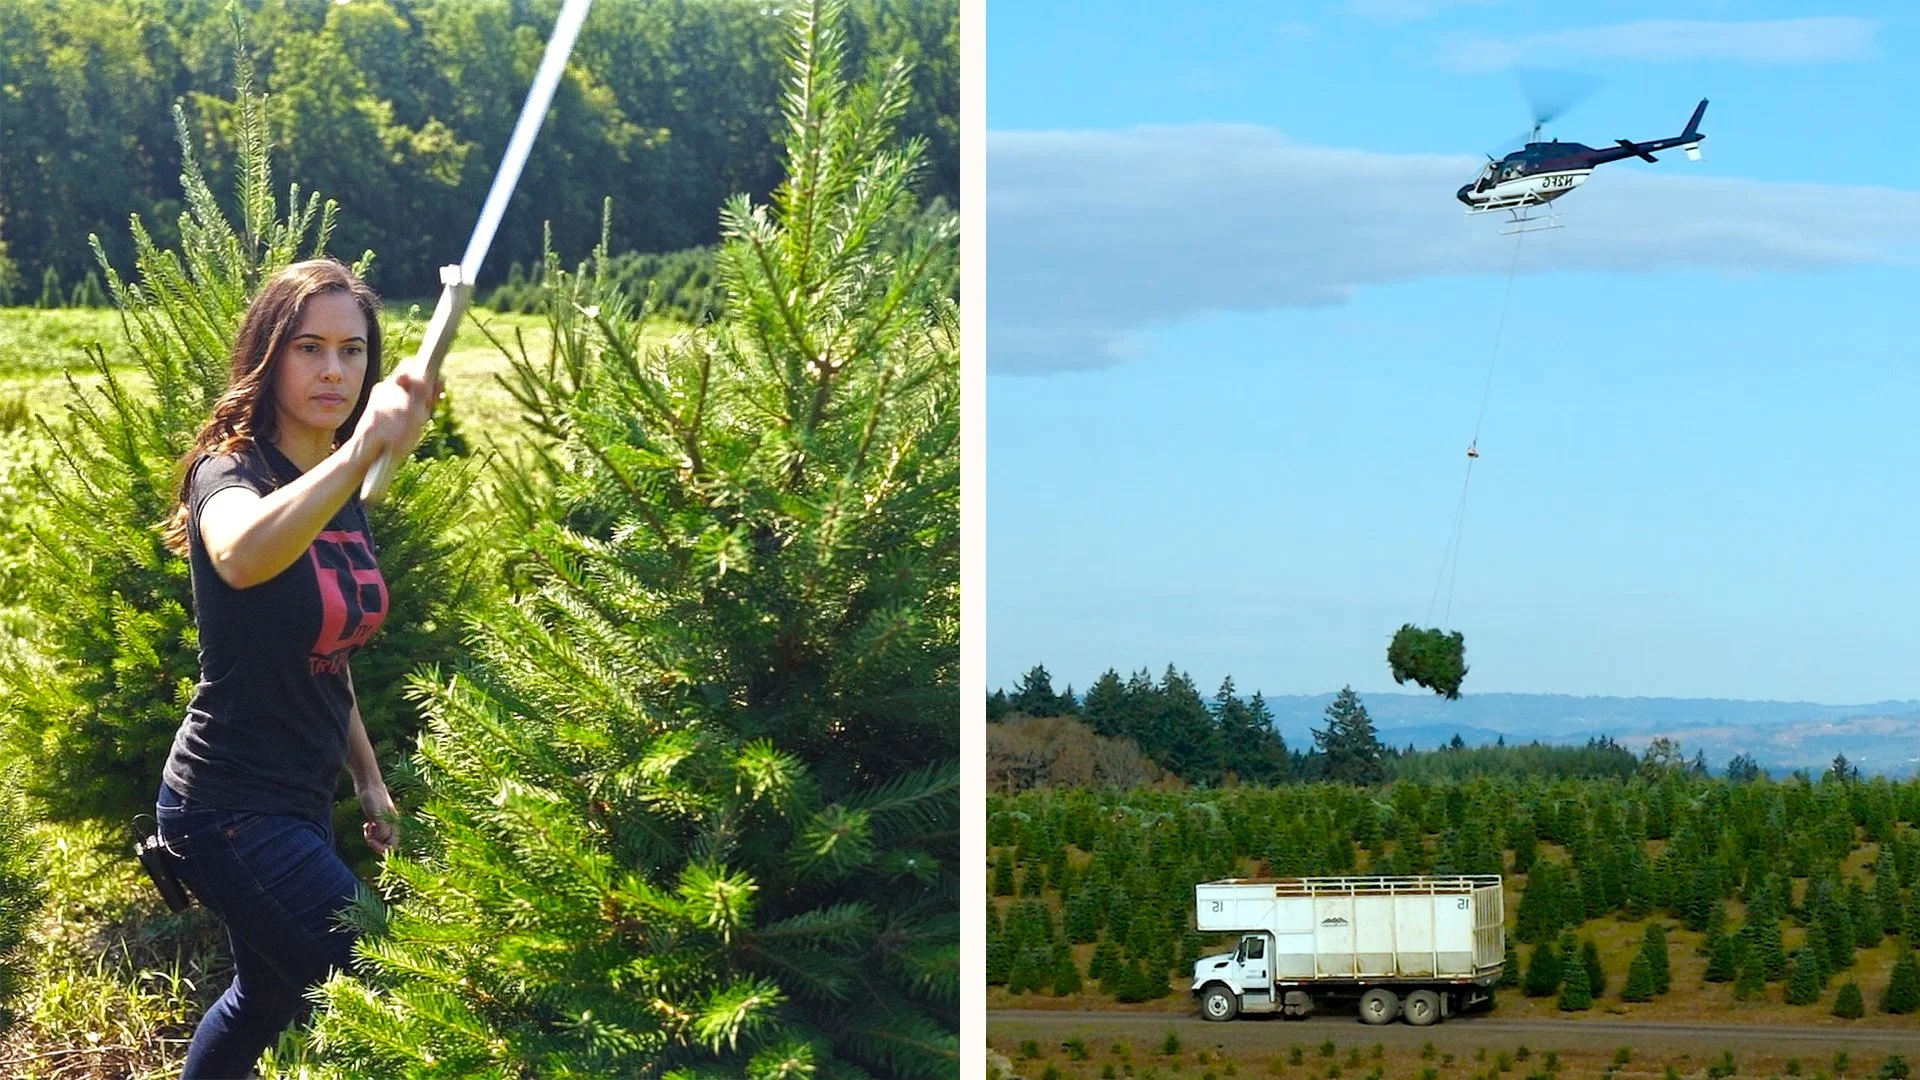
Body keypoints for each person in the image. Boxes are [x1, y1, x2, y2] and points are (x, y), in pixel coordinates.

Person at [152, 258, 438, 1078]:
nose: (333, 371)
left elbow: (327, 649)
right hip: (226, 806)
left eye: (353, 352)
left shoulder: (334, 488)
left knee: (262, 1002)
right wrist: (352, 461)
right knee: (391, 992)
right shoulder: (230, 474)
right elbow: (241, 555)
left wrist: (369, 779)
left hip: (298, 799)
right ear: (269, 356)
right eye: (309, 347)